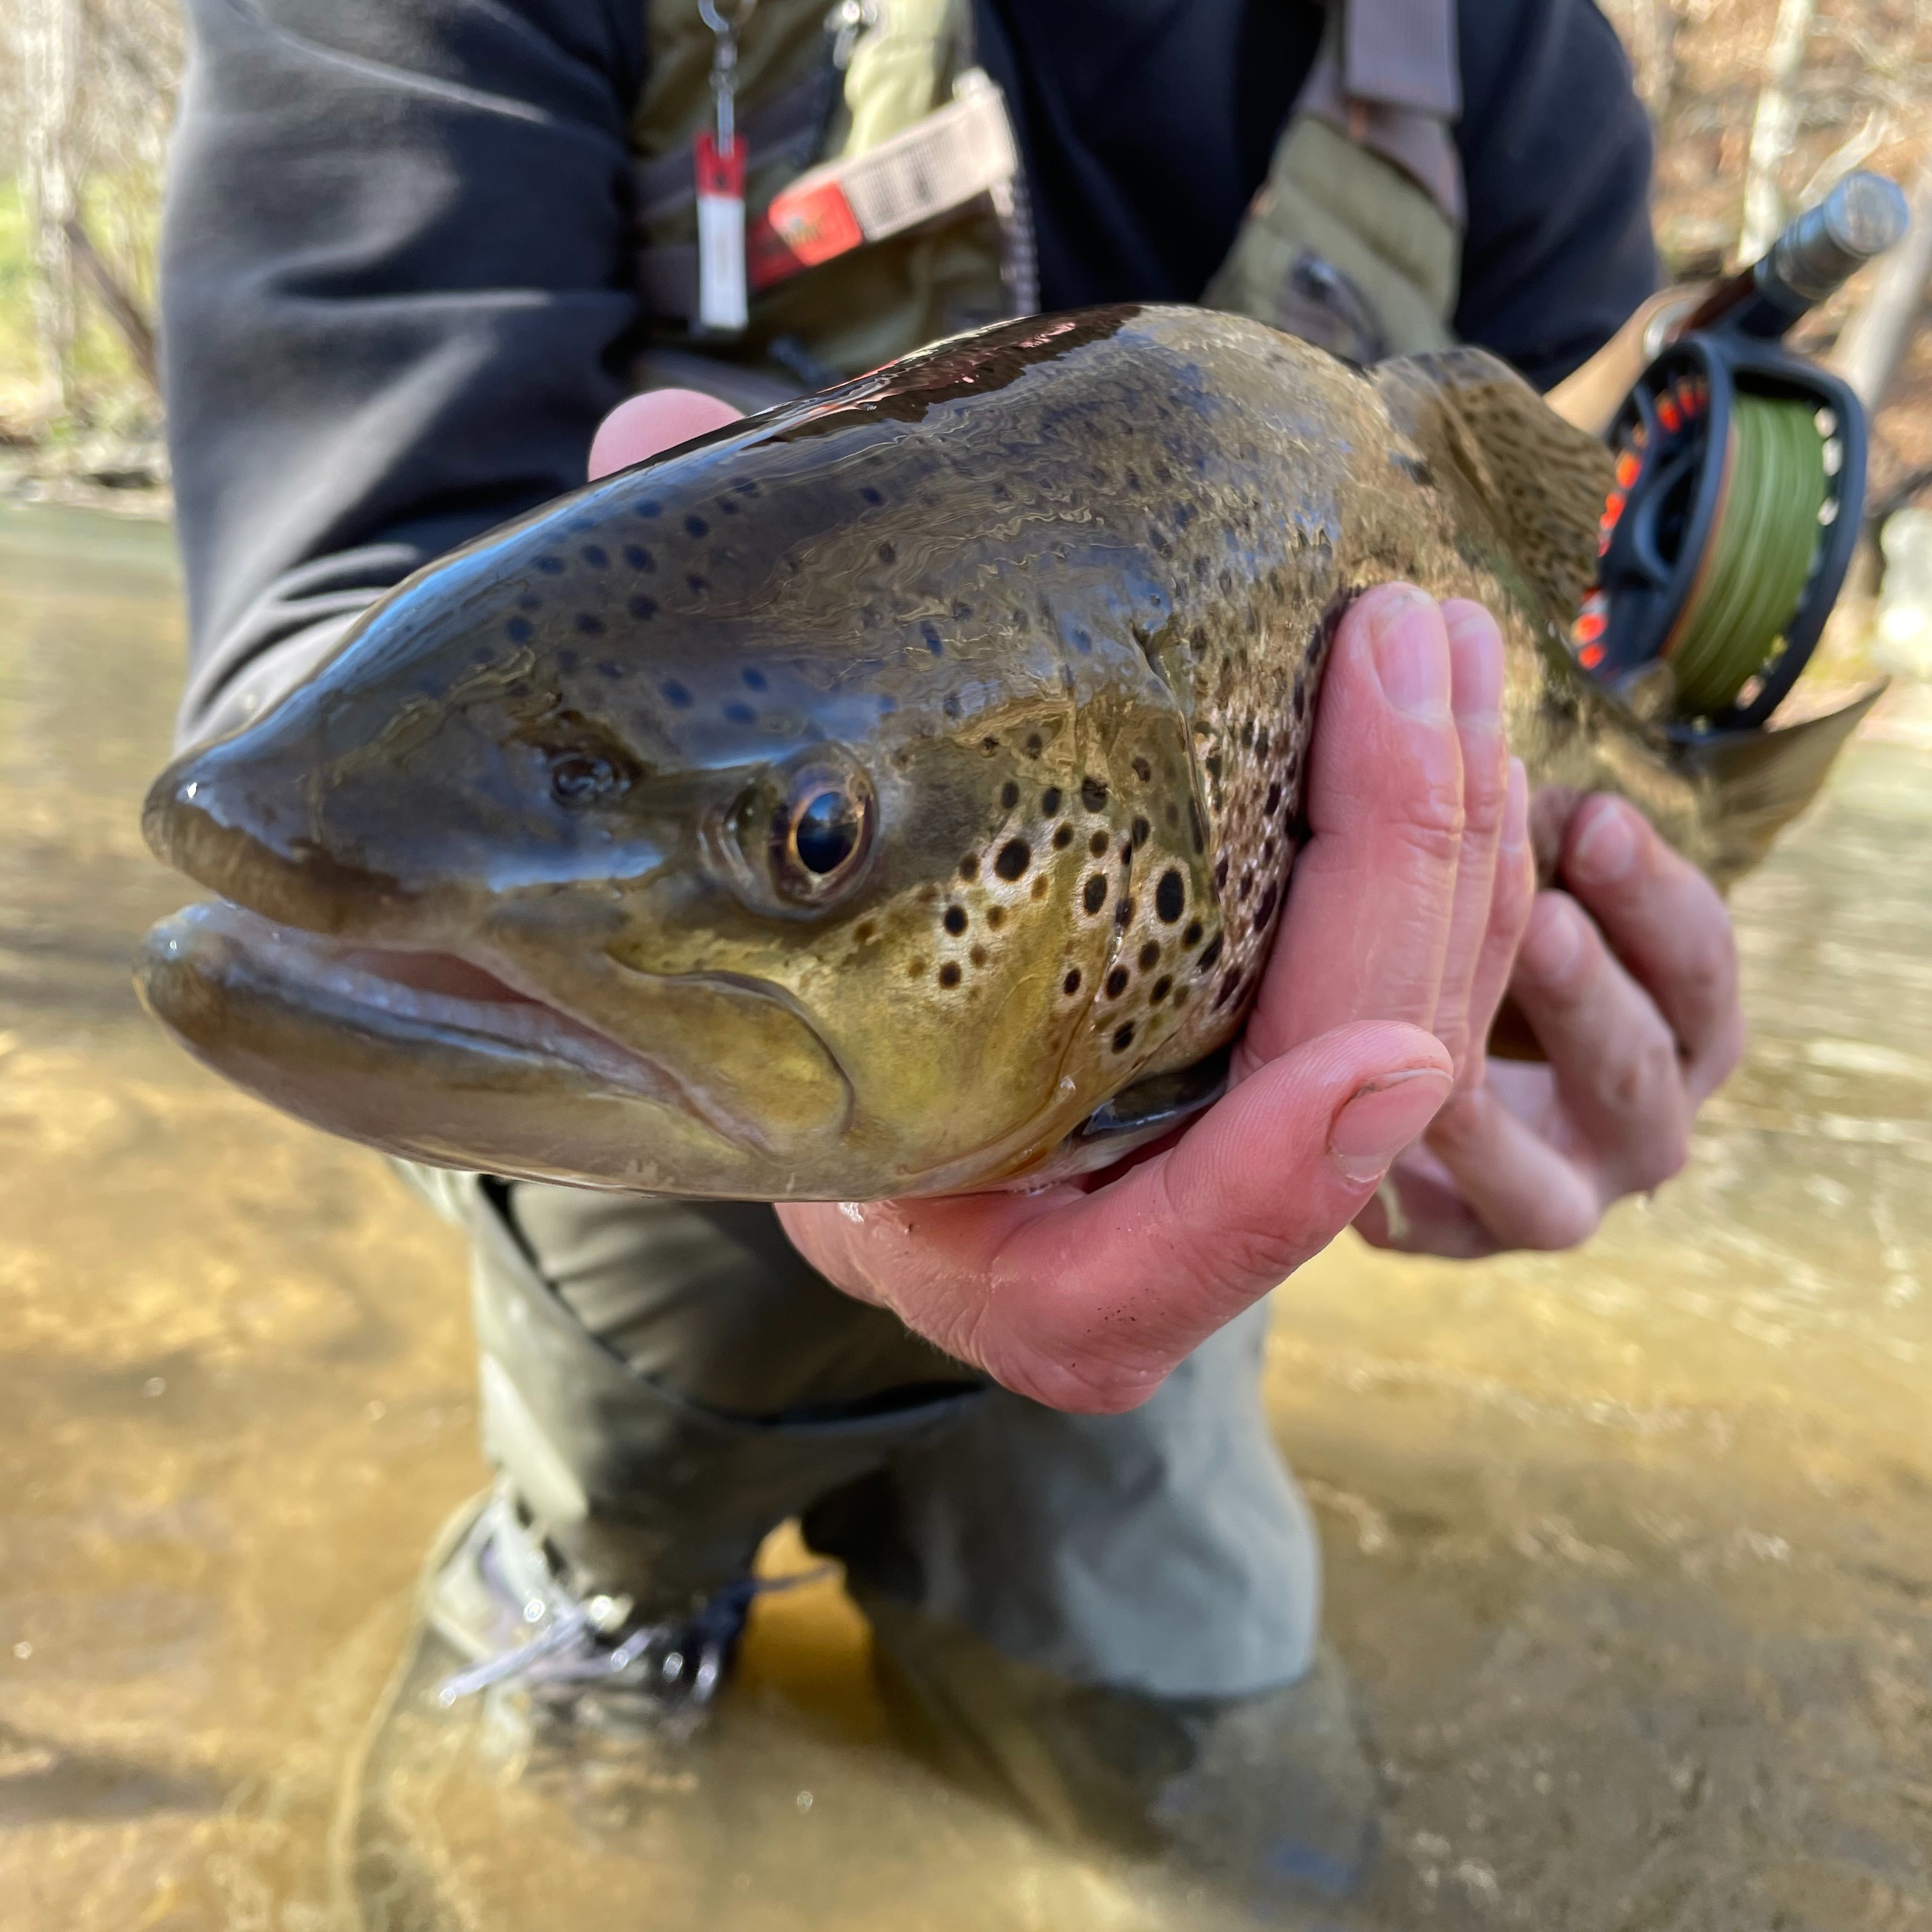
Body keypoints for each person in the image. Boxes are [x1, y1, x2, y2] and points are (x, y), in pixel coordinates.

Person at [159, 0, 1743, 1917]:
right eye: (815, 838)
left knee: (1260, 1857)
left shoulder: (1507, 55)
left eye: (811, 837)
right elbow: (315, 711)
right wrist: (791, 858)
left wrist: (1503, 1074)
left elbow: (1570, 590)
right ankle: (600, 1574)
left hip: (1157, 1188)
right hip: (621, 1199)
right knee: (492, 1849)